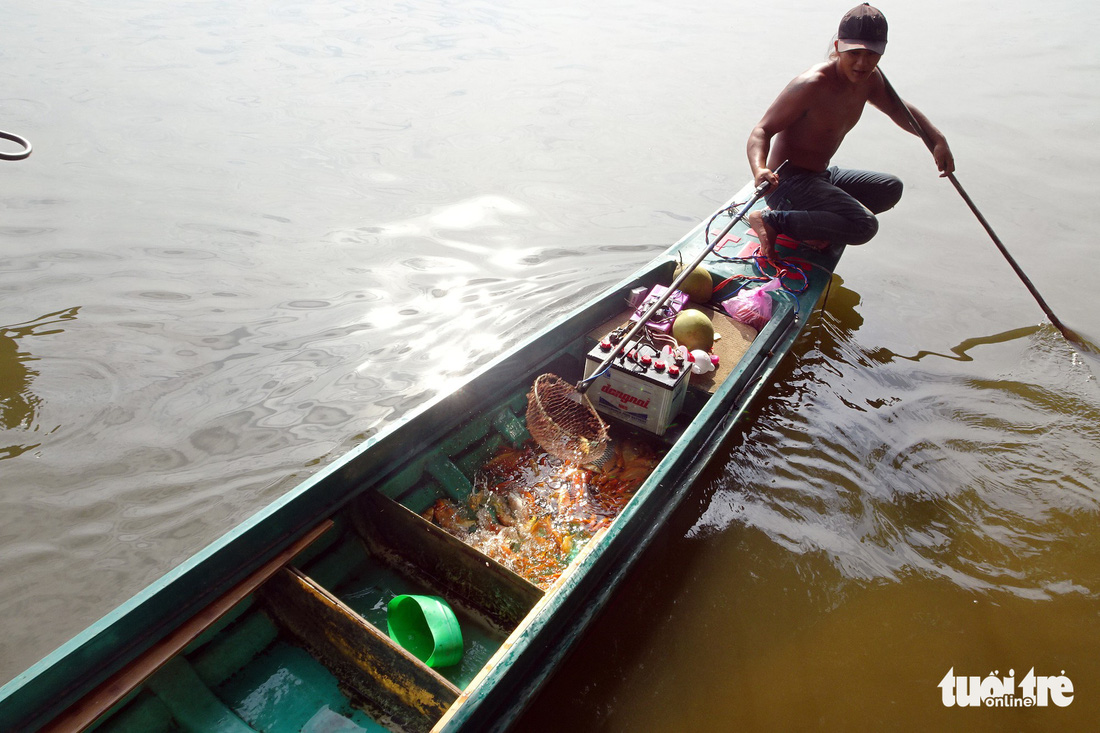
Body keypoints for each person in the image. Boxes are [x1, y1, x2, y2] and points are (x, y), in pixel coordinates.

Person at [746, 3, 954, 258]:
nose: (862, 63)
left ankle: (819, 225)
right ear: (838, 48)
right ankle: (772, 221)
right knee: (865, 225)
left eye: (871, 55)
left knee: (890, 188)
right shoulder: (813, 84)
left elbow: (900, 110)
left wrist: (937, 140)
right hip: (788, 184)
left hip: (820, 176)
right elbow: (761, 130)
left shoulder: (871, 80)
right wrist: (760, 169)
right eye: (854, 53)